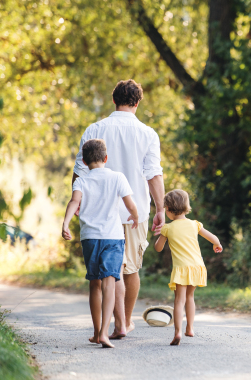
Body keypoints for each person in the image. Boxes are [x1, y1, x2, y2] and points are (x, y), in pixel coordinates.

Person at [73, 79, 165, 339]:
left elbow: (79, 172)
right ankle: (123, 323)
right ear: (137, 102)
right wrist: (160, 209)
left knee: (105, 272)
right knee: (130, 268)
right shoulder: (148, 134)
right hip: (134, 213)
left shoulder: (94, 129)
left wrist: (77, 204)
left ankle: (118, 324)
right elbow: (153, 174)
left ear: (114, 100)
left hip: (98, 213)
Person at [62, 139, 139, 348]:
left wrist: (66, 224)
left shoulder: (81, 181)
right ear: (106, 158)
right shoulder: (117, 177)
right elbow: (129, 203)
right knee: (109, 282)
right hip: (113, 237)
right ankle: (105, 332)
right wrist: (135, 216)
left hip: (90, 237)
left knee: (94, 284)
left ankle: (96, 333)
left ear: (85, 162)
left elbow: (74, 202)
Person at [153, 189, 223, 346]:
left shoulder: (168, 228)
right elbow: (213, 238)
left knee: (179, 300)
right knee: (190, 298)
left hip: (181, 269)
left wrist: (161, 234)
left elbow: (158, 248)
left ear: (169, 210)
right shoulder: (194, 224)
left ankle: (178, 332)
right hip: (197, 267)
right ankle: (190, 328)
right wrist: (217, 245)